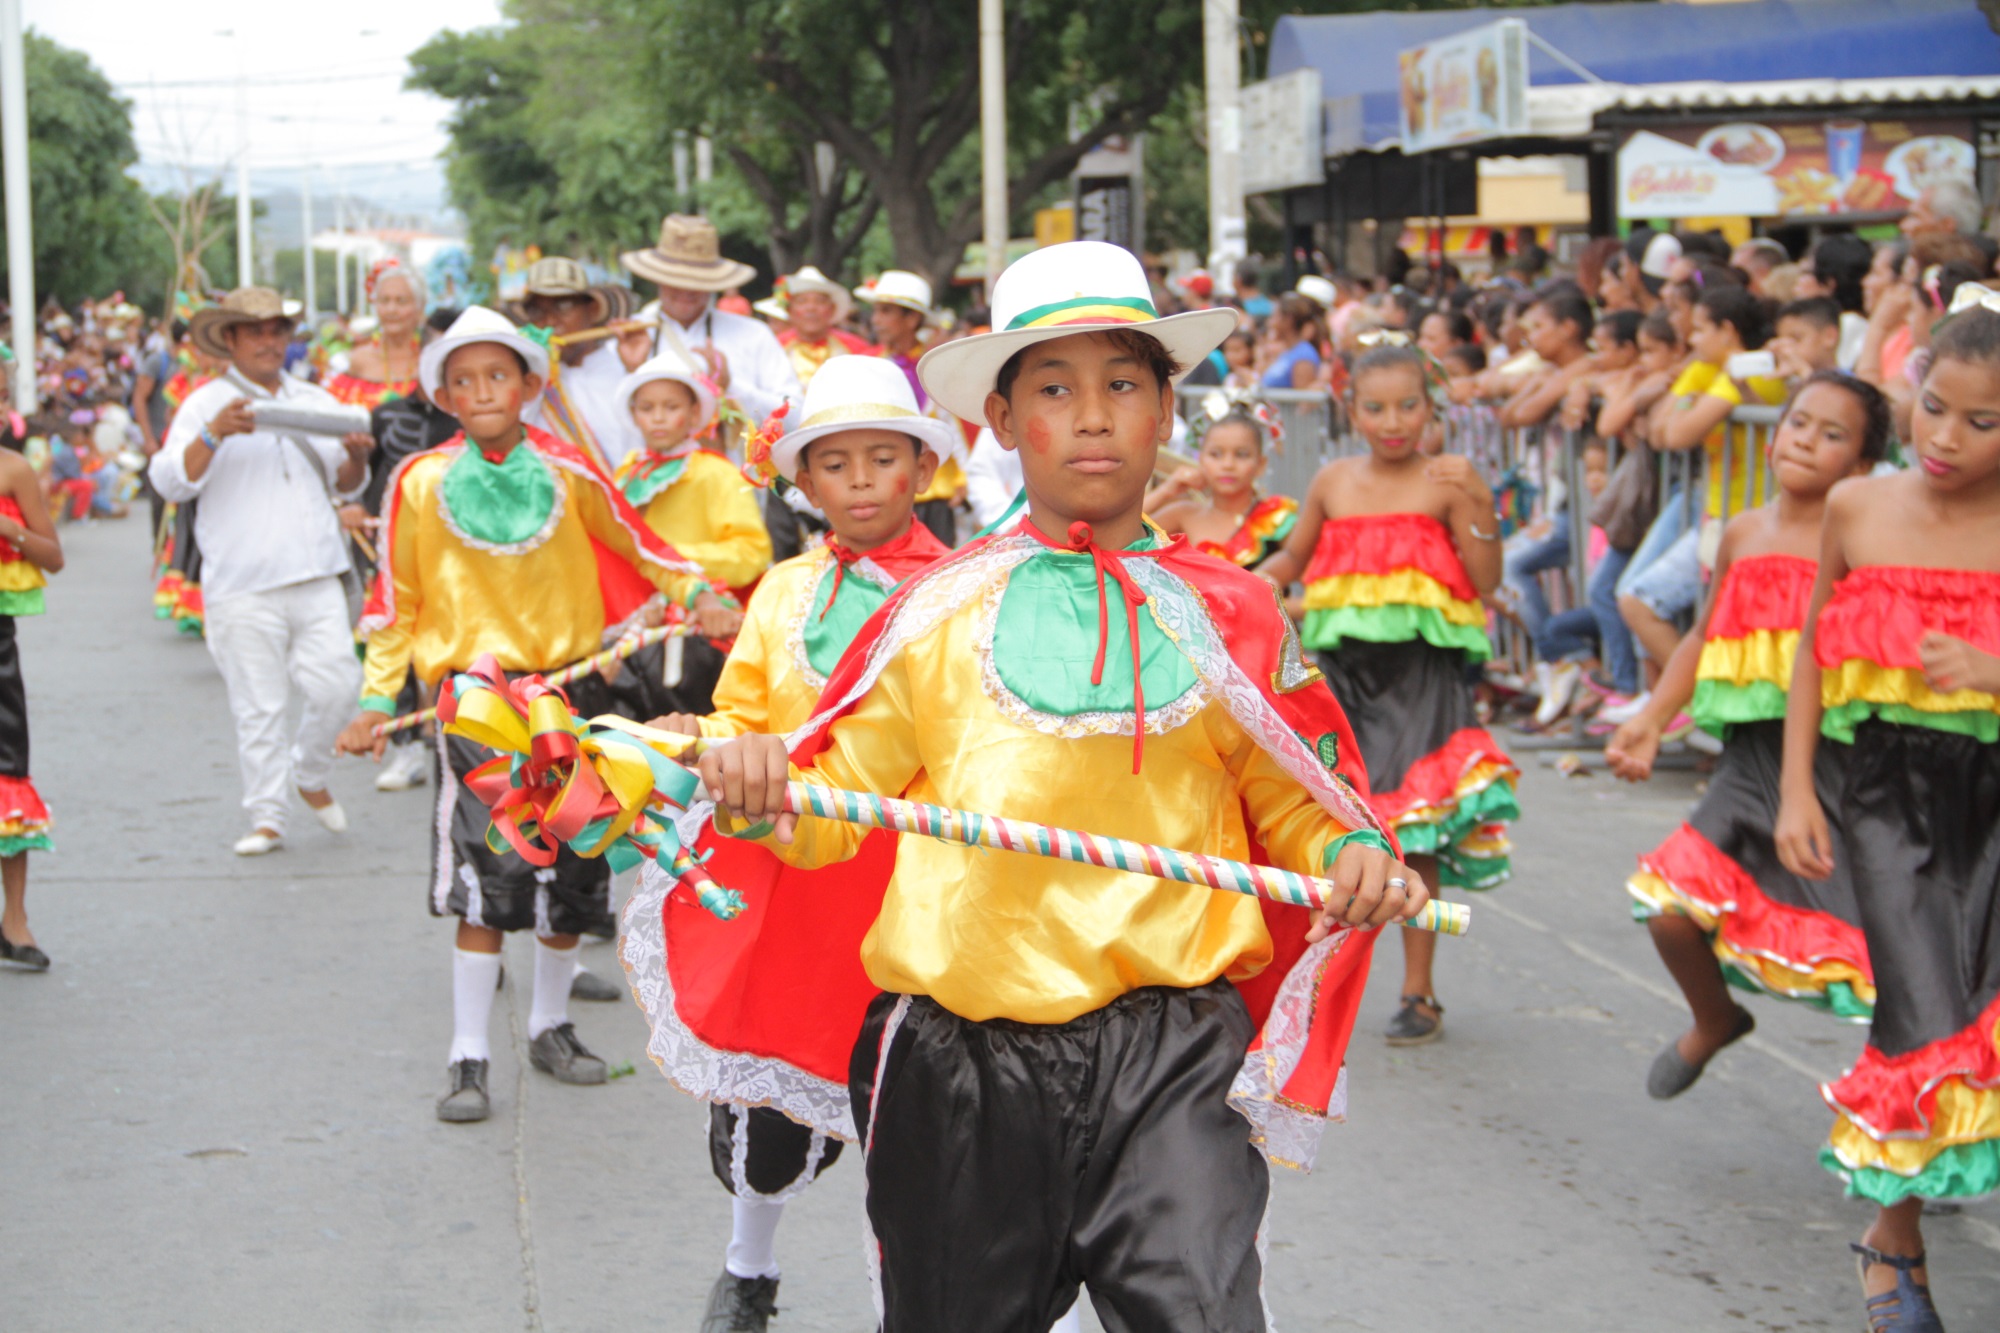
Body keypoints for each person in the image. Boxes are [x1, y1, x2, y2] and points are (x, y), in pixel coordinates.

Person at [692, 241, 1426, 1331]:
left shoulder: (1232, 613)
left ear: (1165, 410)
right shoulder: (934, 611)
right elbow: (829, 802)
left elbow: (1297, 805)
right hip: (960, 1057)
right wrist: (759, 783)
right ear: (1001, 421)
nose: (1091, 416)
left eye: (1121, 385)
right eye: (1054, 389)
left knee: (1201, 1314)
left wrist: (1348, 854)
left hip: (1175, 1048)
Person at [334, 307, 738, 1123]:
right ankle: (468, 1049)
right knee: (490, 875)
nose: (482, 391)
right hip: (476, 707)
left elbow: (638, 543)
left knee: (576, 863)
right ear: (443, 394)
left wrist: (699, 594)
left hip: (571, 695)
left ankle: (553, 1026)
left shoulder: (571, 471)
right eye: (464, 378)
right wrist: (377, 700)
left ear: (529, 385)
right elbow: (395, 603)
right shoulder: (415, 481)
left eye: (498, 375)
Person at [632, 355, 955, 1332]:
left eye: (882, 457)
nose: (860, 480)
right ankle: (749, 1266)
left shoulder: (966, 593)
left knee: (921, 1132)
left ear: (920, 470)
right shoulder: (781, 592)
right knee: (769, 1121)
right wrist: (724, 743)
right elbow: (740, 708)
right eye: (835, 462)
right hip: (790, 888)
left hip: (919, 892)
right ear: (804, 482)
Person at [1774, 289, 2000, 1333]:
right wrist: (1790, 790)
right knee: (1917, 1009)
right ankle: (1890, 1235)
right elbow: (1811, 649)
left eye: (1980, 420)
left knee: (1980, 1017)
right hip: (1884, 798)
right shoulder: (1858, 508)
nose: (1944, 437)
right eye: (1932, 407)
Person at [1607, 372, 1888, 1100]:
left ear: (1862, 466)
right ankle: (1715, 1017)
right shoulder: (1740, 530)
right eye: (1799, 422)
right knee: (1669, 907)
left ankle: (1909, 1116)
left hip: (1845, 770)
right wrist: (1648, 719)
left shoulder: (1865, 535)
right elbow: (1704, 634)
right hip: (1745, 765)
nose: (1806, 440)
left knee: (1880, 957)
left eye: (1834, 435)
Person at [1256, 336, 1517, 1046]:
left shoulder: (1446, 480)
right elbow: (1293, 557)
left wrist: (1480, 497)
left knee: (1414, 823)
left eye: (1408, 405)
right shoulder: (1333, 480)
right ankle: (1306, 985)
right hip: (1343, 681)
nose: (1392, 420)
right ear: (1352, 410)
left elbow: (1486, 579)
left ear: (1432, 407)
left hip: (1424, 677)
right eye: (1375, 407)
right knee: (1335, 826)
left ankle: (1417, 987)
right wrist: (1250, 580)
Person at [147, 287, 371, 856]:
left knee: (340, 687)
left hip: (317, 571)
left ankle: (310, 770)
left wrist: (359, 457)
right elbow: (170, 481)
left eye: (277, 330)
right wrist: (214, 433)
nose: (270, 341)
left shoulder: (317, 399)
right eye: (256, 331)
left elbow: (345, 484)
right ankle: (268, 817)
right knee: (259, 707)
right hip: (241, 583)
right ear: (231, 340)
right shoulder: (203, 404)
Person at [1611, 285, 1788, 724]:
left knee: (1642, 601)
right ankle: (1697, 707)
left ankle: (1698, 707)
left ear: (1727, 331)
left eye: (1701, 330)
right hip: (1716, 519)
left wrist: (1689, 393)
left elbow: (1679, 433)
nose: (1690, 340)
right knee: (1647, 602)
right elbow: (1658, 431)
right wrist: (1690, 377)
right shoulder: (1709, 371)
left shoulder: (1749, 376)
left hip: (1747, 522)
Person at [600, 349, 771, 726]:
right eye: (647, 407)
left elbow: (752, 552)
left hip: (693, 626)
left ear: (694, 414)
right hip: (632, 623)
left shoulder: (714, 473)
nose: (658, 417)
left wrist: (669, 558)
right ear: (633, 414)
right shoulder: (628, 470)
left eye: (670, 406)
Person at [0, 429, 61, 972]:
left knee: (8, 776)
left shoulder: (13, 469)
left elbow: (54, 556)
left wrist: (9, 528)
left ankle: (13, 920)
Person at [520, 256, 642, 473]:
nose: (550, 322)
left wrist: (636, 370)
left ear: (592, 310)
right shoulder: (530, 384)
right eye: (537, 312)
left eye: (563, 306)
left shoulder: (623, 372)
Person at [1144, 408, 1297, 567]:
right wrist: (1165, 491)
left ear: (1260, 464)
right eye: (1216, 454)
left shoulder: (1275, 518)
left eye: (1241, 454)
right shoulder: (1183, 515)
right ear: (1201, 460)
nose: (1227, 465)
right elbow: (1123, 536)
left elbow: (1310, 580)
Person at [325, 260, 426, 410]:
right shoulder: (356, 361)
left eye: (401, 301)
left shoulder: (431, 360)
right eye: (384, 301)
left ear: (419, 308)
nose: (392, 309)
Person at [776, 266, 874, 387]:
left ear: (832, 309)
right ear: (789, 310)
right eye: (802, 301)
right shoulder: (775, 348)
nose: (811, 308)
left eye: (820, 301)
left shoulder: (857, 349)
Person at [1769, 296, 1845, 386]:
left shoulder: (1849, 383)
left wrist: (1802, 369)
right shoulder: (1793, 382)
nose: (1786, 347)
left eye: (1796, 339)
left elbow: (1827, 397)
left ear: (1829, 336)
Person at [1260, 293, 1323, 391]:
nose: (1270, 323)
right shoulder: (1286, 352)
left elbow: (1302, 400)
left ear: (1288, 320)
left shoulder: (1303, 355)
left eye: (1275, 316)